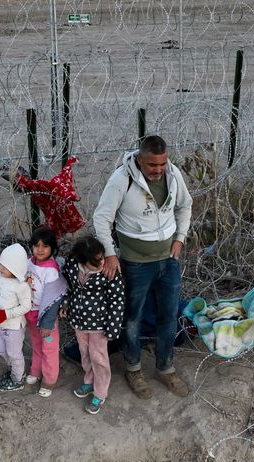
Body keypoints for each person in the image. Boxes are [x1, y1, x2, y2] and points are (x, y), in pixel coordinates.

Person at [93, 135, 193, 398]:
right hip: (135, 263)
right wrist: (110, 254)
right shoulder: (121, 180)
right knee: (133, 318)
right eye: (151, 165)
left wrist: (180, 239)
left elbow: (185, 206)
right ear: (139, 159)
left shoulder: (173, 174)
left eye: (162, 163)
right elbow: (101, 218)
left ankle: (165, 367)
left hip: (168, 261)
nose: (158, 170)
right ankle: (133, 368)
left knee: (169, 317)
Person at [61, 236, 125, 415]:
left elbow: (117, 300)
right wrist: (66, 303)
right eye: (95, 262)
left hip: (99, 324)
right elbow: (68, 287)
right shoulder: (73, 267)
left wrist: (113, 326)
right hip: (79, 322)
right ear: (82, 260)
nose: (101, 263)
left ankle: (100, 392)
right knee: (85, 353)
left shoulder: (110, 272)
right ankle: (89, 381)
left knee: (99, 358)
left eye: (102, 258)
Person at [24, 227, 68, 397]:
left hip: (45, 317)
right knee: (36, 344)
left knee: (49, 348)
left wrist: (47, 323)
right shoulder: (29, 263)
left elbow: (53, 299)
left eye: (45, 246)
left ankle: (49, 379)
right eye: (36, 246)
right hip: (30, 313)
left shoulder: (51, 270)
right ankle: (36, 371)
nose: (40, 250)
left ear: (53, 248)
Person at [0, 243, 33, 391]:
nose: (1, 269)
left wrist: (5, 314)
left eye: (6, 267)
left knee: (14, 353)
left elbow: (26, 306)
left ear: (16, 269)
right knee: (1, 350)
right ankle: (13, 370)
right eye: (1, 264)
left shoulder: (21, 286)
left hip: (13, 326)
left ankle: (18, 378)